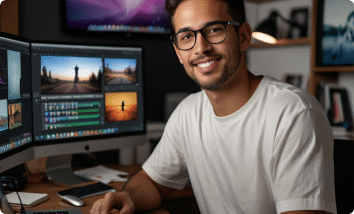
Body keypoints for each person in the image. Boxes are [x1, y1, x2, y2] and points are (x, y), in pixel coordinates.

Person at [91, 0, 337, 213]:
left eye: (214, 30)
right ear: (178, 52)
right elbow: (153, 182)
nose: (201, 48)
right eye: (187, 36)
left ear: (243, 36)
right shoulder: (188, 113)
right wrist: (127, 197)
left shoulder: (294, 113)